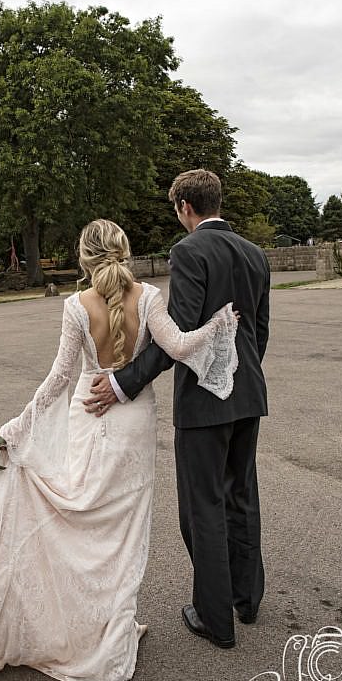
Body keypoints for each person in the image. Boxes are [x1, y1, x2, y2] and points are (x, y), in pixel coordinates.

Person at [0, 219, 239, 681]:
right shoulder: (151, 297)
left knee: (81, 517)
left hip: (87, 415)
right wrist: (218, 325)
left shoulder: (75, 305)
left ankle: (81, 629)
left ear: (84, 258)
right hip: (133, 423)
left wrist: (11, 433)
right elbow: (178, 347)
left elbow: (57, 381)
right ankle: (111, 632)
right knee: (122, 533)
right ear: (125, 251)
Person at [86, 170, 270, 649]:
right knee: (241, 496)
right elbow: (260, 332)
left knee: (202, 506)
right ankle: (247, 600)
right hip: (249, 393)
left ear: (185, 206)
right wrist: (240, 379)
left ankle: (215, 618)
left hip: (204, 403)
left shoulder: (189, 252)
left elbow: (179, 337)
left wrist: (123, 382)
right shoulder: (255, 253)